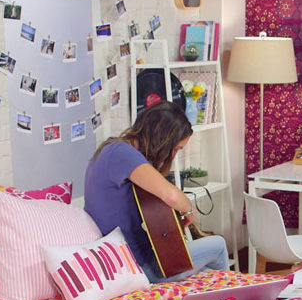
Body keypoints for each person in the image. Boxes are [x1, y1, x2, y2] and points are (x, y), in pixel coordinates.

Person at [84, 101, 229, 283]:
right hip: (138, 266)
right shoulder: (121, 153)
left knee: (207, 273)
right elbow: (172, 196)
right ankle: (235, 296)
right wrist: (189, 210)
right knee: (218, 245)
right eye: (176, 149)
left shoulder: (113, 148)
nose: (173, 155)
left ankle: (222, 296)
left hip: (132, 262)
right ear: (163, 139)